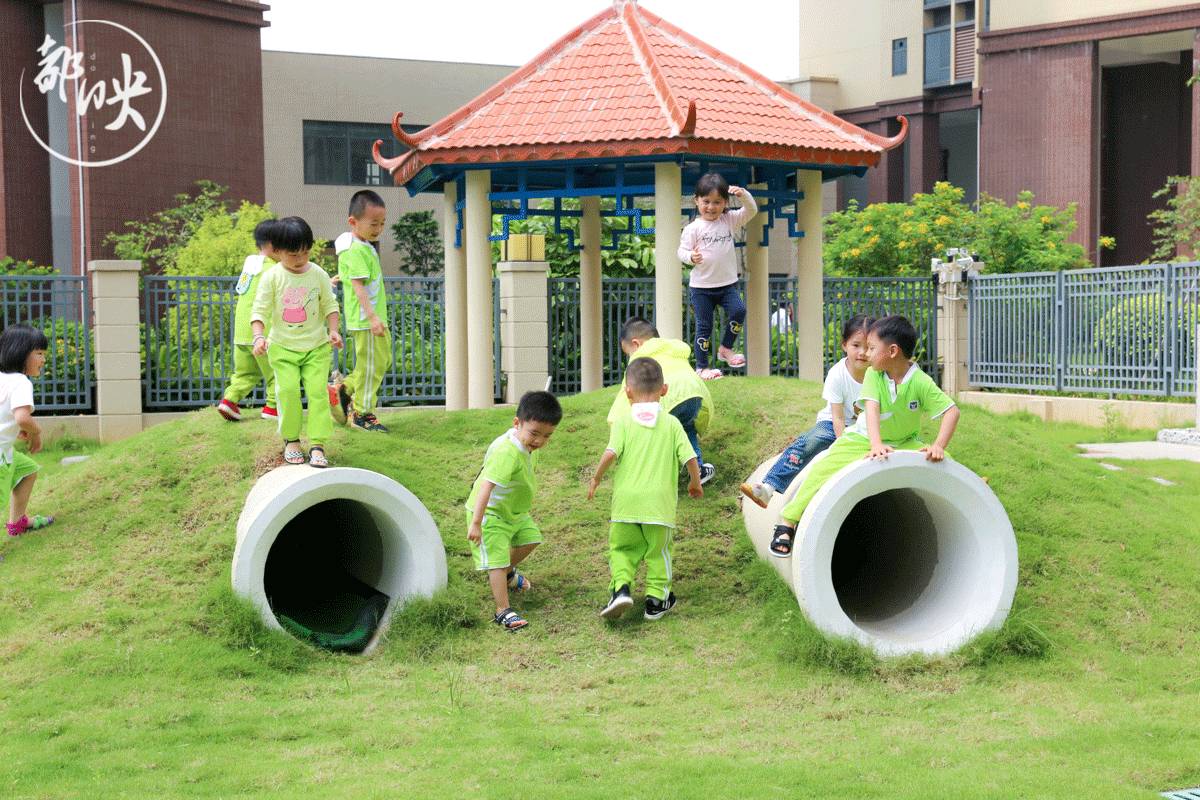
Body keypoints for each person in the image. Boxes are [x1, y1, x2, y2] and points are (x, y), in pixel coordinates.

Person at [769, 315, 960, 557]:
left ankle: (973, 492)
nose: (867, 354)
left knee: (945, 461)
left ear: (892, 351)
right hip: (862, 438)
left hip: (905, 441)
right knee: (823, 467)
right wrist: (876, 444)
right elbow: (871, 409)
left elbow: (952, 411)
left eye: (871, 348)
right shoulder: (874, 375)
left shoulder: (921, 382)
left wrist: (938, 446)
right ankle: (787, 521)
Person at [589, 358, 702, 621]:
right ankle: (657, 599)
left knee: (621, 550)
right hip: (658, 506)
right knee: (658, 552)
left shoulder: (623, 421)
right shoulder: (672, 424)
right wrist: (694, 482)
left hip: (626, 505)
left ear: (627, 391)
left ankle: (621, 589)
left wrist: (596, 479)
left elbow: (610, 453)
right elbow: (691, 458)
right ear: (664, 389)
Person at [739, 314, 873, 514]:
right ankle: (768, 487)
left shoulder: (880, 374)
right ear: (844, 345)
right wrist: (842, 445)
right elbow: (837, 417)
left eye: (869, 347)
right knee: (810, 442)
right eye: (856, 345)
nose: (862, 353)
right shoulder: (838, 374)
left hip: (868, 427)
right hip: (833, 425)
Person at [466, 390, 562, 632]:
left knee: (531, 539)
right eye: (534, 433)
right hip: (491, 514)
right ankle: (502, 610)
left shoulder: (527, 446)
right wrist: (476, 523)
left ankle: (508, 574)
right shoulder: (507, 453)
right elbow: (485, 487)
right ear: (517, 423)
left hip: (514, 513)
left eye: (547, 436)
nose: (539, 440)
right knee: (496, 561)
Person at [250, 216, 343, 468]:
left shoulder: (319, 274)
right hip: (282, 347)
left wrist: (333, 331)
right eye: (293, 254)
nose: (300, 258)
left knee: (317, 394)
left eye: (305, 252)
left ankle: (317, 444)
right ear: (276, 251)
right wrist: (258, 336)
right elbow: (259, 310)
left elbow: (330, 305)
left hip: (316, 346)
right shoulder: (272, 277)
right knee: (288, 391)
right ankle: (291, 440)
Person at [607, 317, 716, 484]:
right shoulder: (673, 349)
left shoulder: (640, 361)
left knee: (653, 433)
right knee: (687, 428)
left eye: (628, 353)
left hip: (667, 397)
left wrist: (615, 422)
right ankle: (699, 469)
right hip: (694, 394)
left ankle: (655, 473)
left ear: (636, 344)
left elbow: (626, 397)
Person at [677, 172, 758, 380]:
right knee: (704, 326)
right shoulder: (692, 228)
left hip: (727, 285)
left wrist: (743, 194)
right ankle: (702, 368)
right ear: (696, 200)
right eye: (706, 202)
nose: (711, 207)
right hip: (701, 288)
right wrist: (690, 257)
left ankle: (726, 349)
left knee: (739, 311)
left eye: (717, 202)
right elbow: (681, 251)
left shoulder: (728, 220)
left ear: (725, 203)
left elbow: (751, 210)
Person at [335, 190, 391, 433]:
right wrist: (372, 317)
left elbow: (354, 280)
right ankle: (362, 413)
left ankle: (345, 389)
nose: (378, 228)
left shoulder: (362, 245)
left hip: (373, 318)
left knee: (380, 361)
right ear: (353, 222)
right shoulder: (356, 249)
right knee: (371, 366)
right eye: (373, 223)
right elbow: (358, 287)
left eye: (382, 223)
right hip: (367, 319)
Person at [218, 218, 279, 422]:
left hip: (242, 334)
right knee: (276, 372)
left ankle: (229, 400)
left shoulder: (250, 267)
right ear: (274, 244)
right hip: (263, 333)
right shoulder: (274, 270)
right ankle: (272, 407)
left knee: (245, 374)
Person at [0, 325, 53, 536]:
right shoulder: (21, 382)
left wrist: (16, 429)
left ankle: (18, 522)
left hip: (6, 451)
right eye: (39, 353)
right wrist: (36, 432)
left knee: (28, 470)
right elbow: (22, 417)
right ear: (20, 352)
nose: (43, 360)